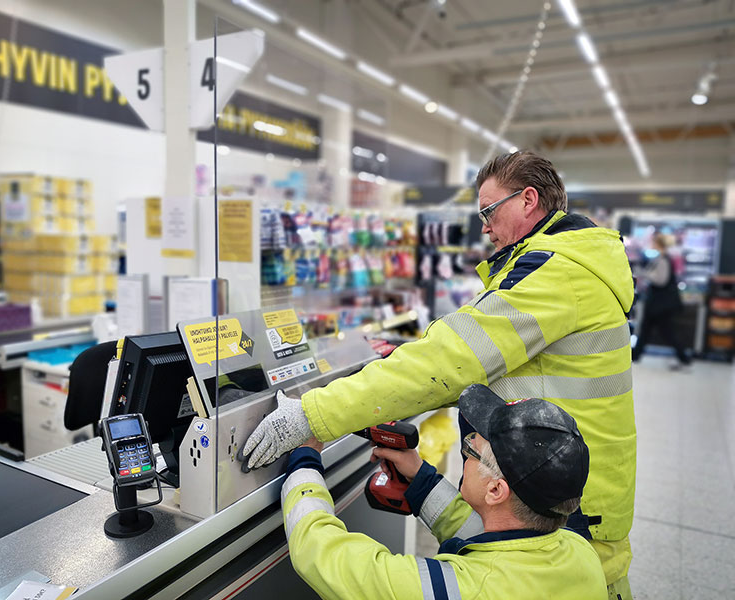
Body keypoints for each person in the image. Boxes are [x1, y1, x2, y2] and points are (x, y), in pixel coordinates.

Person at [243, 151, 636, 597]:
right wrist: (422, 479)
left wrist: (312, 417)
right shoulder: (567, 263)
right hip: (562, 490)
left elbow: (451, 359)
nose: (484, 226)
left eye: (489, 210)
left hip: (565, 498)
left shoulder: (558, 274)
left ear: (528, 200)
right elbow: (490, 538)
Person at [281, 384, 607, 600]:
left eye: (471, 449)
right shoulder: (580, 553)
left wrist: (305, 464)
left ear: (495, 489)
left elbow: (322, 554)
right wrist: (422, 483)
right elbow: (491, 539)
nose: (465, 454)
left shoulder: (457, 590)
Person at [631, 233, 690, 368]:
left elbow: (661, 281)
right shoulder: (661, 258)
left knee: (666, 331)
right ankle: (636, 354)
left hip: (660, 304)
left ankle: (683, 356)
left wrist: (643, 273)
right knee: (648, 329)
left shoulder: (663, 260)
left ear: (658, 244)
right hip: (658, 303)